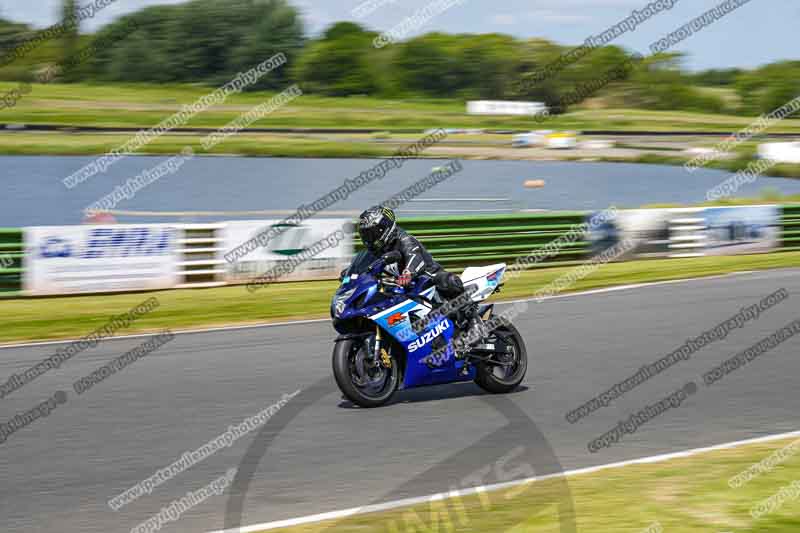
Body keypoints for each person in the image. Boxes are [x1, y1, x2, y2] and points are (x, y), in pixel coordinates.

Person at [356, 205, 478, 331]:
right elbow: (363, 269)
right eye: (366, 235)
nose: (370, 239)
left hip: (428, 280)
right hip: (404, 290)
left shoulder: (404, 239)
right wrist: (350, 276)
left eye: (373, 233)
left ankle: (474, 320)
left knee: (447, 280)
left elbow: (413, 255)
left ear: (385, 228)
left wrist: (408, 273)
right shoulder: (374, 252)